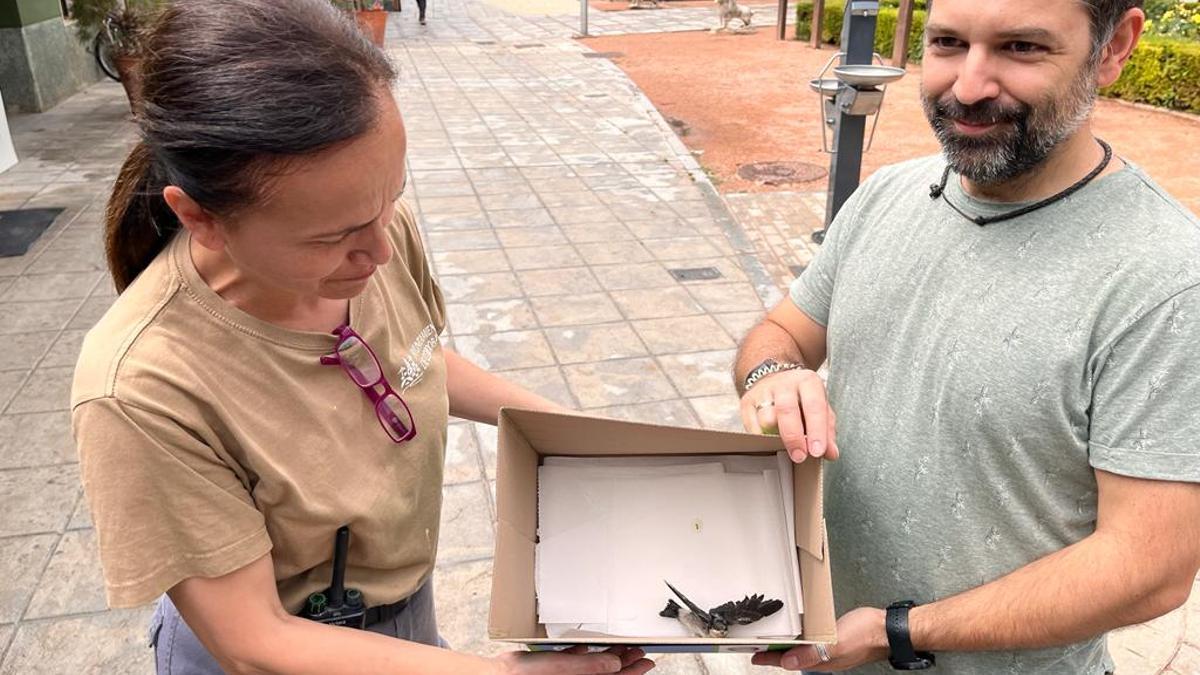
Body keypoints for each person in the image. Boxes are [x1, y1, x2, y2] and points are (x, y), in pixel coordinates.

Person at [70, 2, 653, 674]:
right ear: (199, 217)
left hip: (402, 616)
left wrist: (568, 430)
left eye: (388, 199)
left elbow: (415, 361)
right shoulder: (141, 386)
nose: (378, 249)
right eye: (331, 236)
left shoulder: (376, 232)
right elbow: (256, 640)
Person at [733, 0, 1200, 672]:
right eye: (949, 42)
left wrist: (900, 630)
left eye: (1021, 48)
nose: (969, 86)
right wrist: (770, 376)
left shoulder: (1167, 279)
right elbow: (782, 332)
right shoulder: (884, 196)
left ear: (1113, 47)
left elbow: (1150, 566)